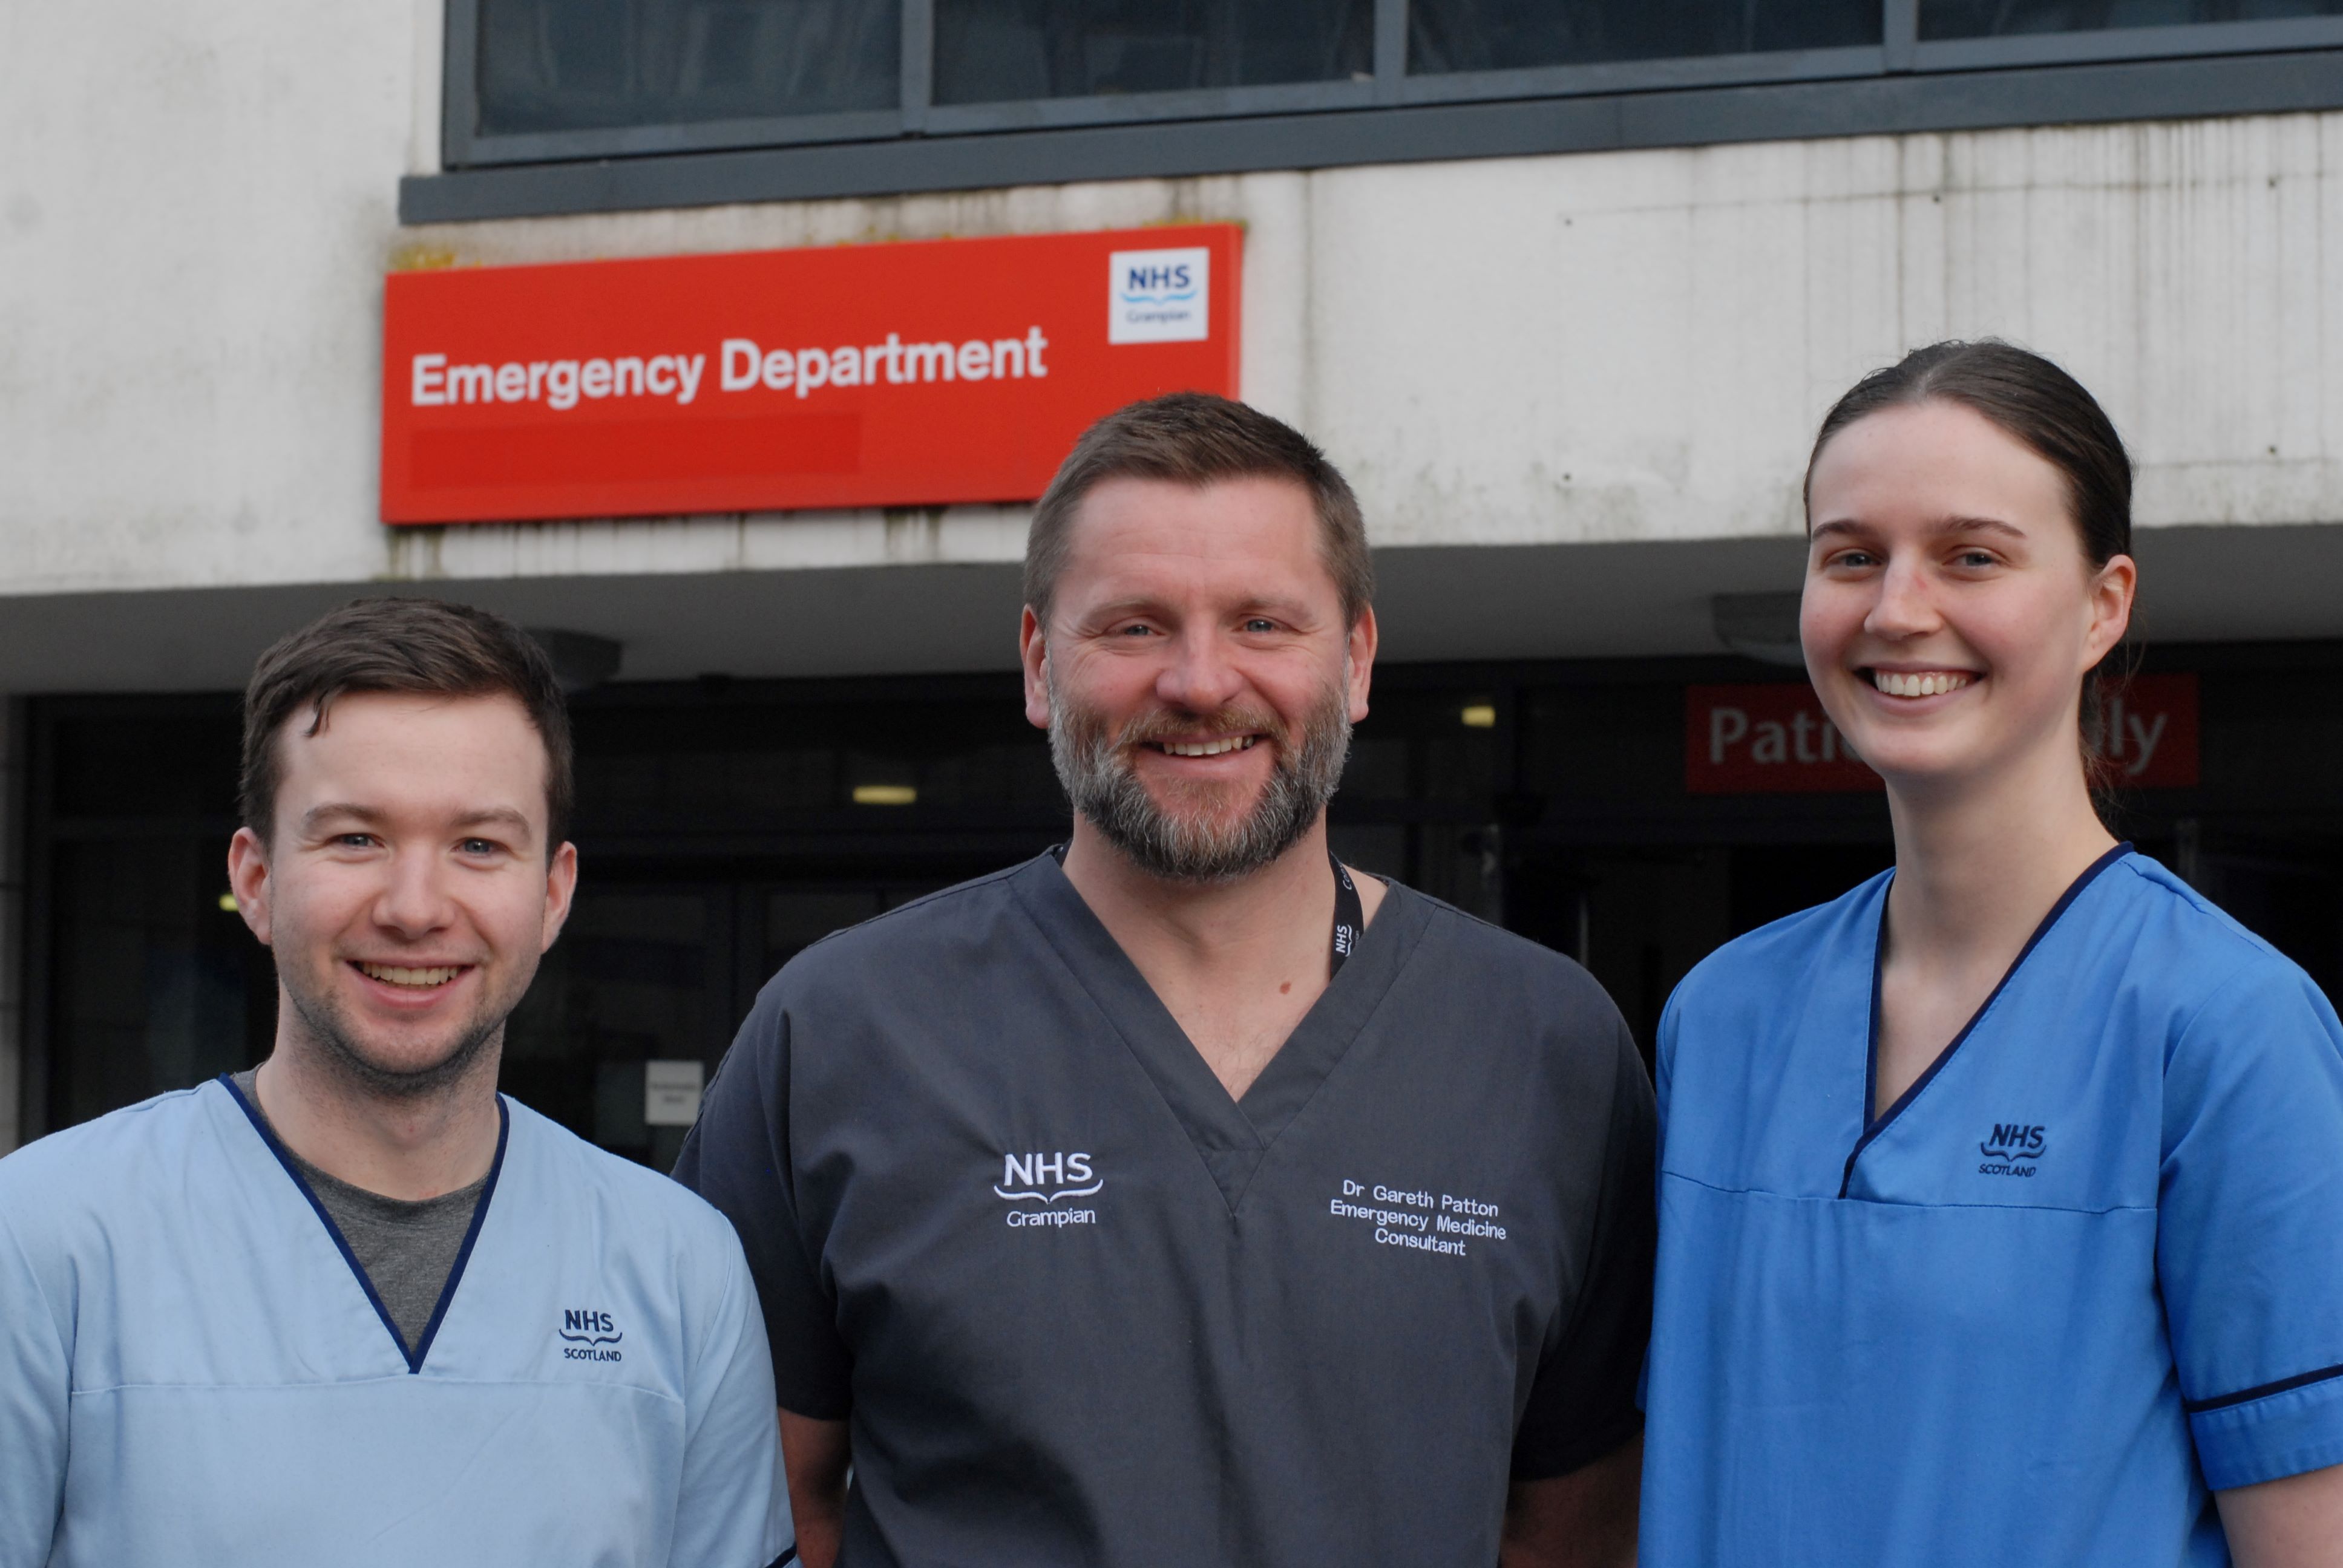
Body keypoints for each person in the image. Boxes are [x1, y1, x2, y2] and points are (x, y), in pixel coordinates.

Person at [676, 392, 1654, 1567]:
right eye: (1135, 627)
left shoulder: (1545, 1045)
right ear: (1041, 664)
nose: (1199, 683)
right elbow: (768, 1504)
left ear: (1354, 661)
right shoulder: (840, 1033)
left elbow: (1569, 1525)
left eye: (1261, 623)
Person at [1639, 341, 2343, 1564]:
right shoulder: (1722, 1017)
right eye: (1850, 555)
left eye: (1972, 555)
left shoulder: (2224, 1025)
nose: (1897, 607)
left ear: (2102, 604)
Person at [0, 598, 791, 1568]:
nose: (416, 909)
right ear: (255, 880)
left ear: (553, 894)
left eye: (479, 846)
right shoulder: (43, 1243)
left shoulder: (683, 1271)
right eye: (355, 839)